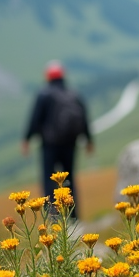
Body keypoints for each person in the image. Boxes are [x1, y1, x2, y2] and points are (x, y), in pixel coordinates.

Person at [22, 61, 94, 213]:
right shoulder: (73, 94)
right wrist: (89, 140)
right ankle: (73, 216)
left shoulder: (44, 94)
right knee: (69, 180)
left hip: (50, 145)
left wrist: (26, 139)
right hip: (71, 143)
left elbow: (35, 119)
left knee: (50, 181)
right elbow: (84, 118)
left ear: (48, 77)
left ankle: (53, 216)